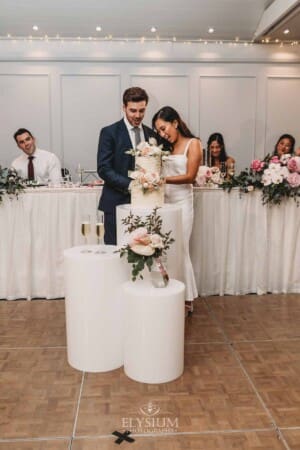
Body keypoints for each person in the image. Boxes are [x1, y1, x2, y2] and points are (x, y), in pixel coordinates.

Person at [152, 106, 203, 314]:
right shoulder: (165, 148)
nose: (163, 134)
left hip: (182, 203)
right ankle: (170, 293)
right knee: (167, 249)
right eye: (160, 132)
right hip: (165, 204)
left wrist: (162, 180)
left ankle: (187, 297)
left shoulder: (194, 144)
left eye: (164, 128)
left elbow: (190, 176)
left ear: (175, 122)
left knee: (180, 248)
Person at [97, 86, 158, 245]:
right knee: (114, 251)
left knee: (144, 252)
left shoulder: (151, 134)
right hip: (116, 203)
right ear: (123, 107)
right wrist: (131, 185)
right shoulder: (109, 132)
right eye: (132, 111)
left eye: (142, 111)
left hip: (145, 205)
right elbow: (104, 168)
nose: (138, 115)